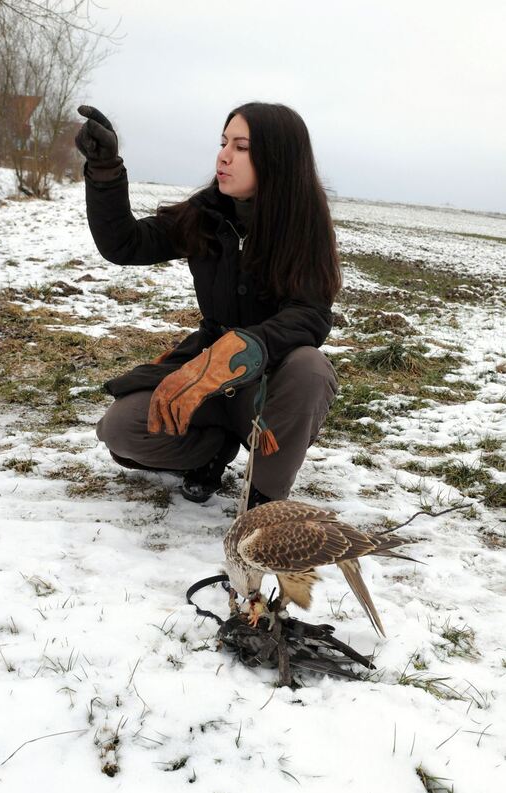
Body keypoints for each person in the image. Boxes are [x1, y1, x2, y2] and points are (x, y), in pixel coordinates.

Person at [75, 101, 340, 508]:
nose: (224, 155)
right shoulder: (206, 214)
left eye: (241, 146)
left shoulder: (306, 227)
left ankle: (263, 499)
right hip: (205, 380)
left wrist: (245, 346)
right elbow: (125, 243)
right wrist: (105, 169)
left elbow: (312, 314)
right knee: (121, 429)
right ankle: (211, 452)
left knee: (311, 368)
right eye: (223, 142)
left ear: (277, 158)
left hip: (270, 389)